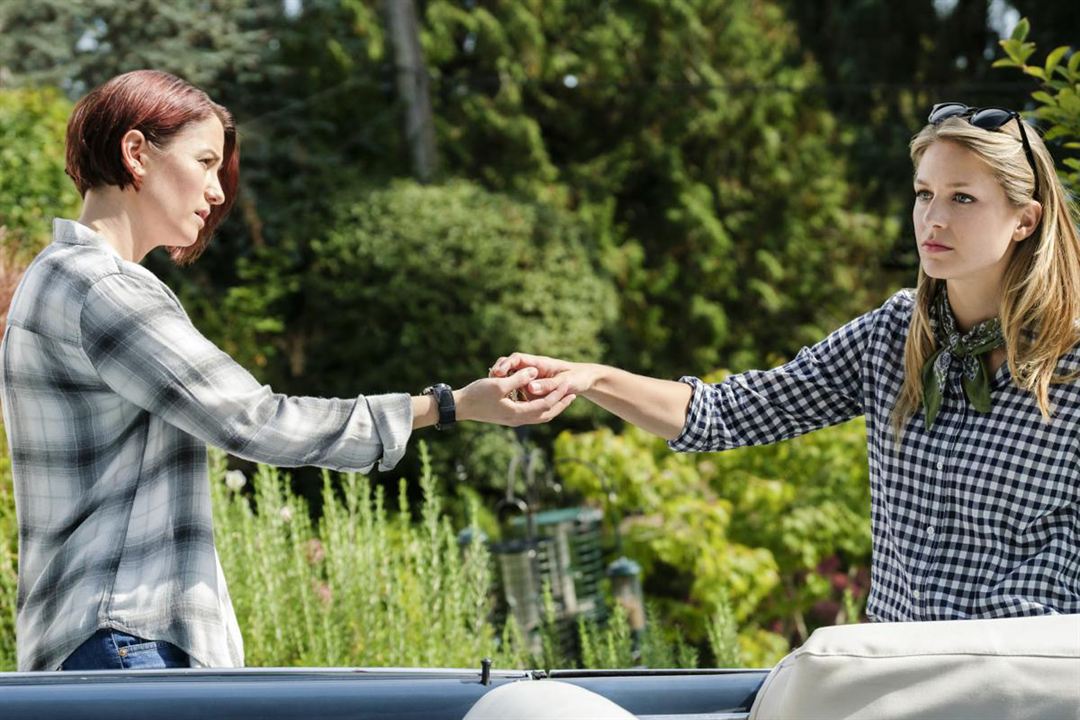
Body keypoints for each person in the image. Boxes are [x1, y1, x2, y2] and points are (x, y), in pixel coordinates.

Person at [0, 69, 576, 673]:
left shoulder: (54, 277)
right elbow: (256, 421)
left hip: (94, 636)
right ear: (137, 153)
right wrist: (448, 404)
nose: (219, 191)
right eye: (204, 162)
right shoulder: (102, 288)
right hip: (124, 637)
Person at [493, 102, 1079, 622]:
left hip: (1027, 681)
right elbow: (728, 413)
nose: (934, 218)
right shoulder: (890, 336)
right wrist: (591, 377)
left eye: (963, 198)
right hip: (903, 674)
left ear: (1024, 220)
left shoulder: (1073, 365)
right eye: (925, 193)